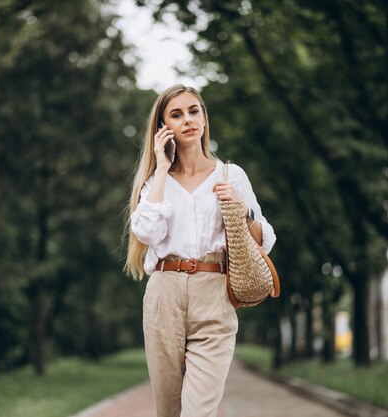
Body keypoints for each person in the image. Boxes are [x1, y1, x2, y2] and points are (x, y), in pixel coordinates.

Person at [125, 84, 276, 417]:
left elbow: (265, 240)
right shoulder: (155, 181)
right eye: (176, 115)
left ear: (205, 119)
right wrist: (162, 169)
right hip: (165, 293)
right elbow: (147, 232)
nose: (188, 120)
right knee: (169, 411)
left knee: (198, 412)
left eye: (194, 111)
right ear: (164, 128)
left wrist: (241, 209)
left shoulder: (230, 175)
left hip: (215, 294)